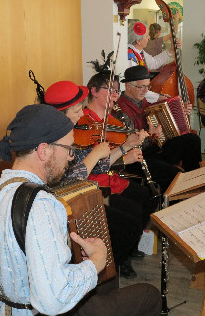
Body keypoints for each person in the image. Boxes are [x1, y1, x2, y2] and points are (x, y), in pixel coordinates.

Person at [0, 104, 161, 316]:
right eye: (69, 149)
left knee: (106, 283)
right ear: (43, 150)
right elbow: (53, 301)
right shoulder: (41, 206)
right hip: (37, 311)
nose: (71, 157)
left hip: (1, 306)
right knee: (149, 295)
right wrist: (96, 262)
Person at [43, 78, 151, 279]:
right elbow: (65, 181)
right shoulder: (52, 142)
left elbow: (100, 165)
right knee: (128, 225)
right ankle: (101, 274)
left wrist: (124, 147)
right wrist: (95, 154)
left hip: (83, 194)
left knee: (132, 219)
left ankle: (107, 271)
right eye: (76, 111)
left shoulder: (72, 133)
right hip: (66, 203)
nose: (82, 113)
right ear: (61, 114)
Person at [116, 65, 202, 191]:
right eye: (142, 87)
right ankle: (176, 200)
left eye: (148, 86)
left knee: (192, 140)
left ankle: (194, 182)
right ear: (128, 86)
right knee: (174, 175)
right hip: (137, 159)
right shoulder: (121, 110)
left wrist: (180, 110)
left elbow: (162, 114)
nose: (146, 91)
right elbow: (130, 146)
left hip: (154, 149)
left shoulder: (143, 101)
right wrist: (151, 135)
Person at [127, 21, 177, 103]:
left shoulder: (139, 51)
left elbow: (154, 63)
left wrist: (171, 51)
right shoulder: (130, 56)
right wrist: (158, 97)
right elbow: (137, 86)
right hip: (133, 100)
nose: (149, 38)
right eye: (147, 36)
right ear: (138, 41)